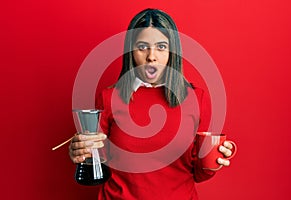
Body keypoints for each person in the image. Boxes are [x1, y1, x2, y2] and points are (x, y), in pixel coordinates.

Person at [69, 8, 235, 200]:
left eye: (161, 47)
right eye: (142, 47)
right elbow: (98, 161)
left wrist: (214, 161)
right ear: (131, 51)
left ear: (173, 51)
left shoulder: (197, 99)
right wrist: (81, 152)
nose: (151, 56)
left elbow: (199, 173)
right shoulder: (109, 97)